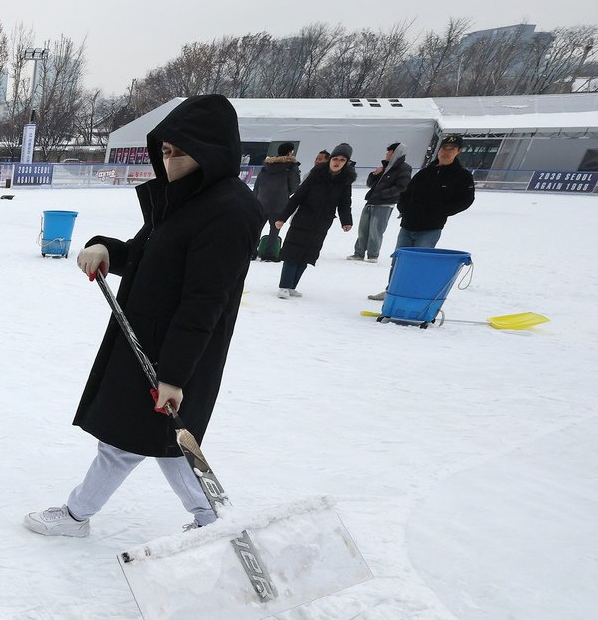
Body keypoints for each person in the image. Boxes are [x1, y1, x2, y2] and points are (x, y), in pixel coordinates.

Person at [24, 94, 262, 538]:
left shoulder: (228, 211)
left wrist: (173, 375)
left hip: (172, 353)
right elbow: (143, 256)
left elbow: (203, 302)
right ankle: (213, 520)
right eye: (166, 153)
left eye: (182, 155)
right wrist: (104, 249)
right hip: (146, 341)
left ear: (213, 151)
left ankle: (77, 515)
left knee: (126, 442)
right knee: (165, 441)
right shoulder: (186, 199)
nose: (170, 164)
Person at [368, 134, 475, 300]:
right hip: (408, 225)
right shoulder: (425, 172)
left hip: (430, 228)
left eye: (451, 149)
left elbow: (466, 200)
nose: (446, 152)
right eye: (444, 148)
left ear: (458, 151)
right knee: (399, 261)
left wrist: (442, 211)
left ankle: (411, 294)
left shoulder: (462, 176)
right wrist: (404, 209)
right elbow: (406, 193)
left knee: (419, 263)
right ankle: (392, 291)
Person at [274, 143, 356, 297]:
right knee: (293, 252)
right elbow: (298, 196)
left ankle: (292, 286)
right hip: (303, 218)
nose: (337, 162)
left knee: (307, 254)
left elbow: (345, 202)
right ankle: (284, 285)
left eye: (342, 160)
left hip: (322, 223)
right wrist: (282, 218)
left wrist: (346, 220)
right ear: (330, 159)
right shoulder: (316, 174)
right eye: (335, 158)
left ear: (346, 163)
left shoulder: (345, 180)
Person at [348, 142, 411, 263]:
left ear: (396, 152)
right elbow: (370, 184)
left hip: (384, 204)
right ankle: (359, 253)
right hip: (371, 202)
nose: (387, 154)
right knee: (363, 229)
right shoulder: (385, 167)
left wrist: (383, 194)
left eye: (389, 151)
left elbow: (402, 187)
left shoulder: (404, 168)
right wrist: (373, 175)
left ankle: (373, 255)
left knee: (375, 230)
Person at [251, 141, 300, 261]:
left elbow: (257, 185)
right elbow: (294, 186)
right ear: (290, 152)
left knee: (257, 228)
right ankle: (269, 254)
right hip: (280, 203)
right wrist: (286, 193)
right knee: (275, 229)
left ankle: (251, 251)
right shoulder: (291, 167)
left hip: (262, 201)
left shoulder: (266, 166)